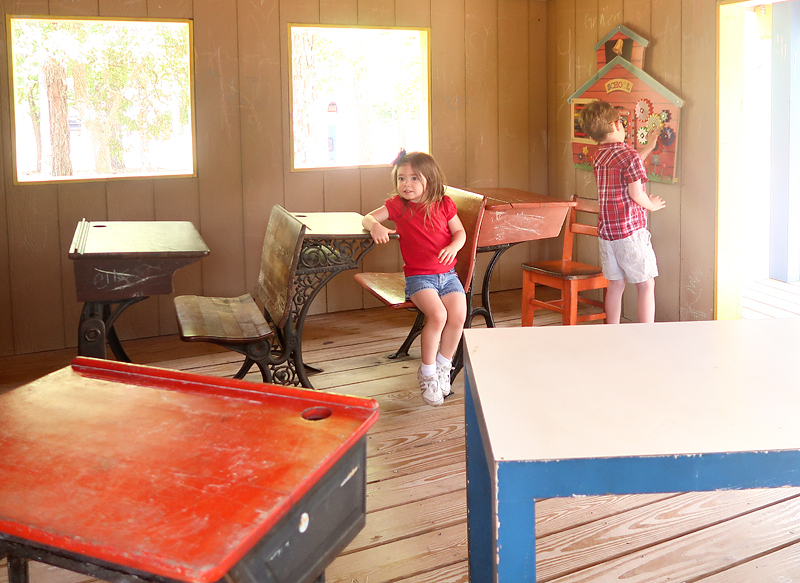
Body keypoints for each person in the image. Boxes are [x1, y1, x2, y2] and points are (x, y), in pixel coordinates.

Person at [362, 151, 467, 406]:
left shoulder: (444, 204)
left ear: (429, 180)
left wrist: (454, 246)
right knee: (438, 316)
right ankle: (428, 373)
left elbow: (460, 232)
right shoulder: (398, 205)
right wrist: (375, 226)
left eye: (413, 178)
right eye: (401, 178)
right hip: (420, 278)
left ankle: (444, 366)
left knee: (458, 315)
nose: (406, 184)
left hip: (447, 275)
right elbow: (367, 217)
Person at [578, 100, 666, 324]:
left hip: (607, 235)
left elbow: (629, 163)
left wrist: (648, 147)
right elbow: (636, 193)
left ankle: (612, 332)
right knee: (646, 284)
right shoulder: (629, 158)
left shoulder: (600, 157)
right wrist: (652, 205)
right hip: (630, 233)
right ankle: (647, 333)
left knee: (615, 285)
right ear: (617, 125)